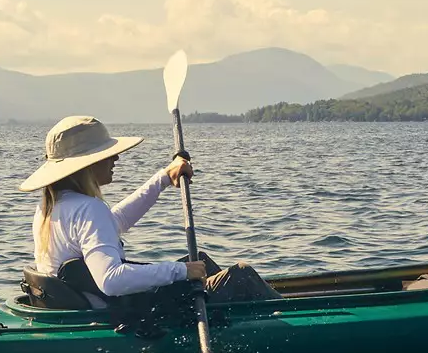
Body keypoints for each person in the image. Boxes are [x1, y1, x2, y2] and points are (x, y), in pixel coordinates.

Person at [20, 115, 276, 308]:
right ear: (87, 165)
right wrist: (181, 271)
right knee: (240, 275)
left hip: (98, 306)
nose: (116, 159)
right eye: (107, 155)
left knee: (201, 261)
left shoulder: (52, 207)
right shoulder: (88, 209)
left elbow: (114, 221)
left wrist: (164, 178)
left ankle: (234, 316)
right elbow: (111, 280)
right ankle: (286, 322)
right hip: (125, 314)